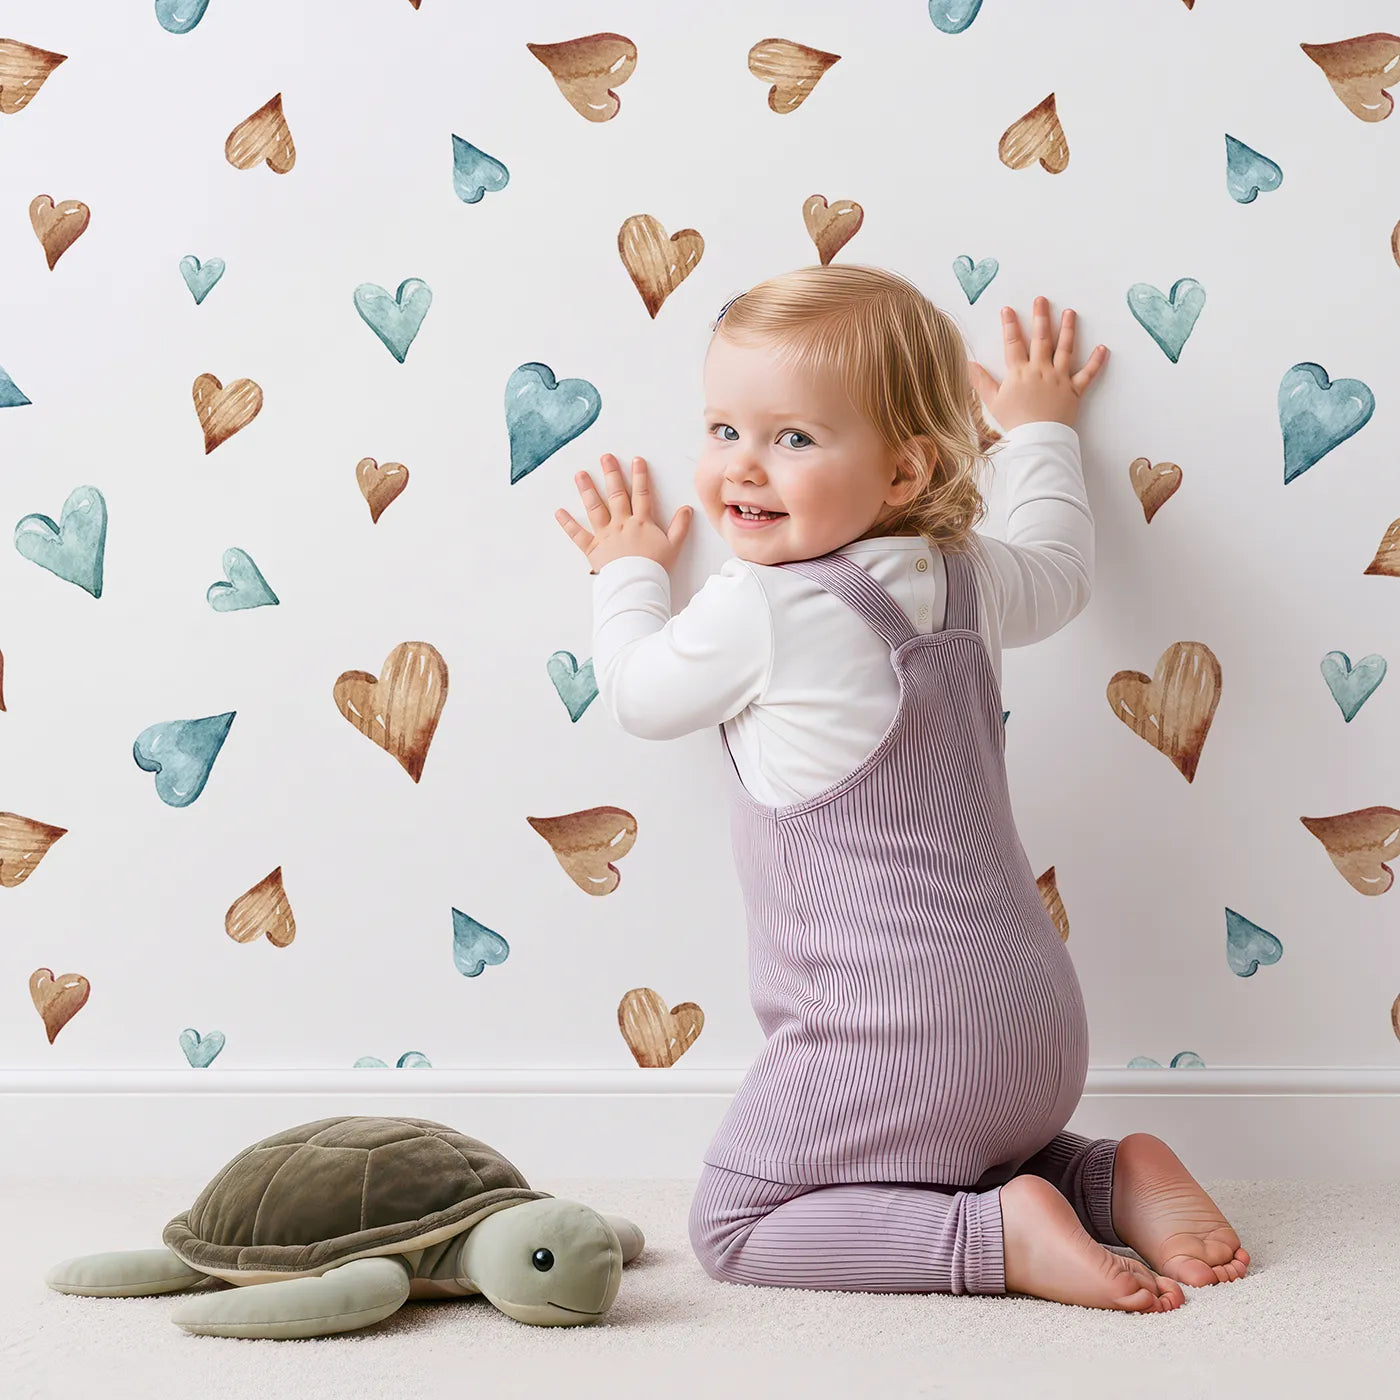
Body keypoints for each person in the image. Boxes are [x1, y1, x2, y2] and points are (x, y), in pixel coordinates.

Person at [554, 264, 1249, 1311]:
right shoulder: (962, 567)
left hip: (896, 1040)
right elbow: (1060, 568)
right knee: (933, 1148)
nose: (741, 467)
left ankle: (995, 1234)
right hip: (1035, 1026)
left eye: (791, 438)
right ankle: (1095, 1175)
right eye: (721, 429)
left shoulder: (761, 605)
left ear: (899, 470)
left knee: (732, 1224)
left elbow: (640, 695)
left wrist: (624, 571)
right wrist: (1037, 430)